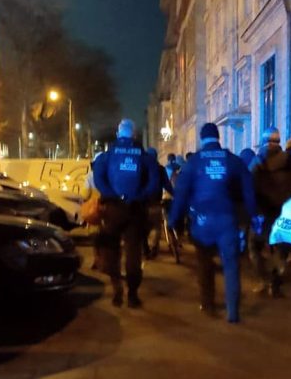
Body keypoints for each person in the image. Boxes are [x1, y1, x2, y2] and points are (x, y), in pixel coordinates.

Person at [169, 123, 260, 323]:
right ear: (218, 137)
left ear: (202, 139)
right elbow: (248, 191)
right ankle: (232, 311)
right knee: (231, 264)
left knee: (204, 263)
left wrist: (174, 219)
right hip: (227, 219)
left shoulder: (193, 162)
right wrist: (253, 216)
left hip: (202, 221)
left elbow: (181, 193)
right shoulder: (233, 160)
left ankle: (208, 304)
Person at [93, 119, 160, 308]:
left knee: (110, 249)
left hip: (113, 208)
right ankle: (132, 294)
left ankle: (117, 289)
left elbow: (98, 178)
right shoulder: (144, 156)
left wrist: (111, 194)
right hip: (135, 209)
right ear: (134, 135)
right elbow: (154, 181)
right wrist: (140, 195)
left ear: (118, 134)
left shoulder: (107, 155)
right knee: (133, 252)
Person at [249, 127, 291, 297]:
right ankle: (276, 280)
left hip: (262, 213)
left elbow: (249, 187)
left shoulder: (257, 162)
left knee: (254, 247)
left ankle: (263, 279)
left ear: (264, 141)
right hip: (284, 213)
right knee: (280, 248)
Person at [145, 147, 174, 259]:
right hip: (156, 202)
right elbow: (167, 185)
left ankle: (146, 248)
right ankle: (153, 246)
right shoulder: (160, 169)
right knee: (156, 226)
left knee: (144, 226)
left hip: (142, 203)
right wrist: (175, 194)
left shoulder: (141, 167)